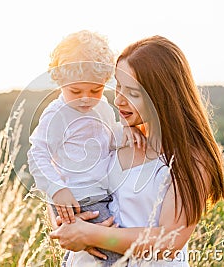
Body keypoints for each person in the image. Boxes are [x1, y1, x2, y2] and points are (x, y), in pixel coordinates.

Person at [49, 35, 224, 266]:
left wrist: (92, 235)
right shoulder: (112, 136)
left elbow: (169, 242)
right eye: (118, 87)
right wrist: (66, 223)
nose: (119, 101)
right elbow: (59, 180)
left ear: (162, 96)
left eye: (133, 93)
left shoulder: (190, 159)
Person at [27, 30, 145, 266]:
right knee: (112, 255)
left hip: (103, 194)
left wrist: (126, 131)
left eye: (95, 90)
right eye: (76, 91)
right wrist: (56, 189)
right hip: (75, 197)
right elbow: (37, 153)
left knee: (108, 244)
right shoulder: (56, 114)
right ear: (60, 81)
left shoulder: (101, 107)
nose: (86, 99)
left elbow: (109, 137)